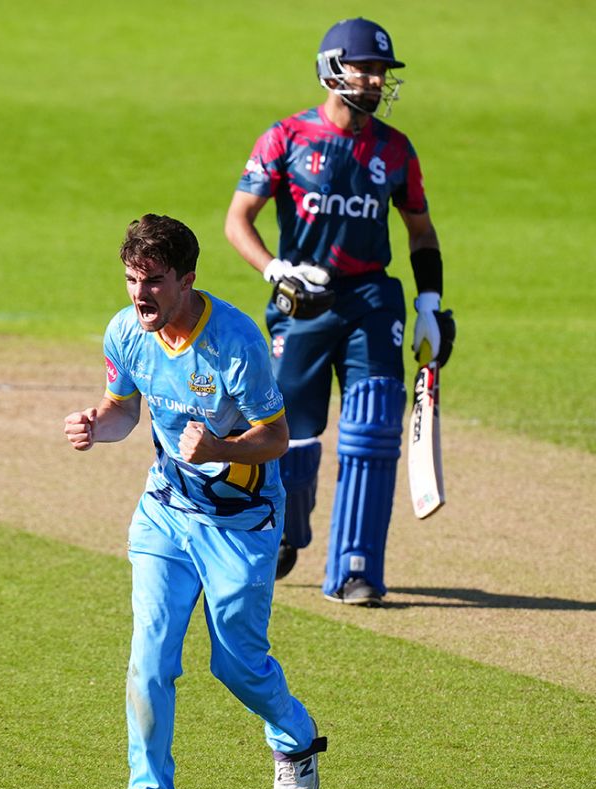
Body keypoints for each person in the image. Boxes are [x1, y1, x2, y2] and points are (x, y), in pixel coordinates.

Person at [65, 214, 327, 789]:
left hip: (241, 524)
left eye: (152, 281)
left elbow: (277, 437)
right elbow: (124, 409)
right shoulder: (125, 331)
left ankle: (293, 738)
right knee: (148, 660)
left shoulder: (237, 341)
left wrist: (217, 447)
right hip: (165, 513)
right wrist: (94, 427)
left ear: (186, 279)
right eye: (131, 279)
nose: (138, 294)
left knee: (235, 665)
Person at [225, 17, 455, 607]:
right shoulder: (286, 137)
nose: (376, 79)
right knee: (288, 438)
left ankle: (356, 568)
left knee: (374, 426)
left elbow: (421, 233)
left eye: (382, 71)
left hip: (373, 300)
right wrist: (275, 270)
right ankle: (286, 530)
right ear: (333, 69)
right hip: (303, 300)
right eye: (366, 68)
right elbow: (238, 221)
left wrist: (429, 302)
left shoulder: (395, 149)